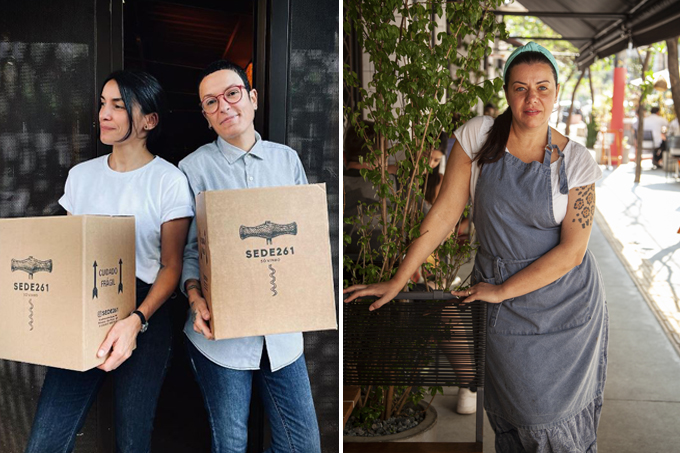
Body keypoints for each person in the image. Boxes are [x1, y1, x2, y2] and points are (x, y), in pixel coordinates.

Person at [345, 42, 608, 452]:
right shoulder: (478, 137)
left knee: (551, 424)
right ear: (505, 92)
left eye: (542, 87)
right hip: (502, 306)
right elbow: (445, 216)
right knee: (513, 417)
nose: (531, 98)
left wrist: (502, 290)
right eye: (520, 87)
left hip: (565, 308)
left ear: (556, 92)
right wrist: (399, 278)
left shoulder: (576, 162)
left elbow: (572, 252)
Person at [25, 70, 194, 453]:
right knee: (45, 441)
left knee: (132, 439)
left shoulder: (168, 180)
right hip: (85, 306)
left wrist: (136, 321)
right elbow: (71, 253)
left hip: (146, 309)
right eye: (103, 103)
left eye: (118, 106)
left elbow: (171, 266)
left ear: (149, 121)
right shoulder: (81, 177)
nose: (104, 113)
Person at [179, 60, 321, 453]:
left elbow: (305, 243)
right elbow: (188, 251)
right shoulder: (192, 169)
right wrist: (195, 299)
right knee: (231, 445)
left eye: (232, 94)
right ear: (206, 116)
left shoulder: (286, 160)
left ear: (252, 98)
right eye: (211, 102)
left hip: (281, 335)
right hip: (221, 338)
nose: (224, 106)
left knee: (302, 446)